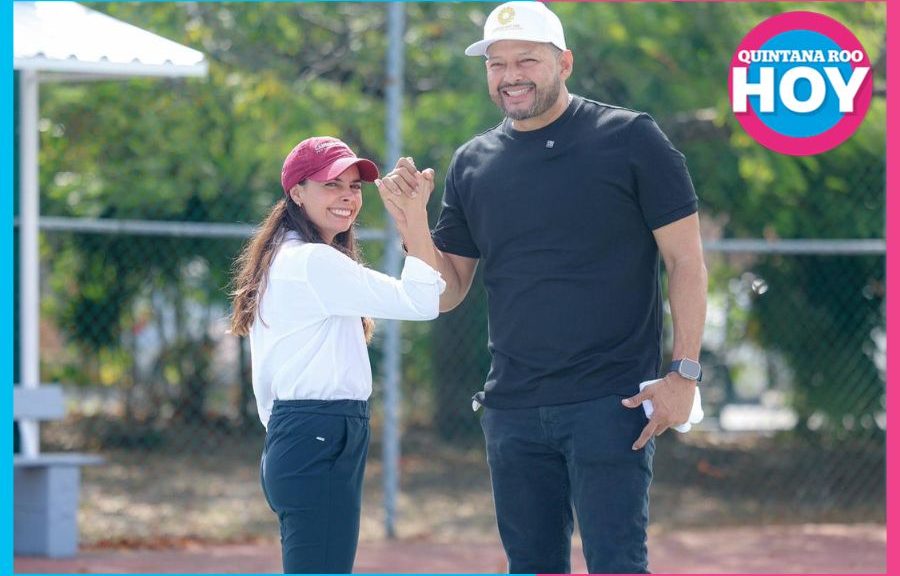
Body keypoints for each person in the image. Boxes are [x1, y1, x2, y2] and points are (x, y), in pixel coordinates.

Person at [376, 2, 708, 573]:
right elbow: (449, 289)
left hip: (613, 403)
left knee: (618, 565)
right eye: (497, 64)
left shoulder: (630, 138)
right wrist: (412, 223)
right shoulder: (473, 163)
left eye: (526, 60)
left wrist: (684, 373)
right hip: (513, 411)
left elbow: (686, 262)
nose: (510, 76)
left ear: (564, 63)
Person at [230, 136, 444, 574]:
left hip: (305, 433)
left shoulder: (290, 256)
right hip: (317, 432)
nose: (347, 195)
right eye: (331, 184)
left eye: (355, 186)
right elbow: (423, 302)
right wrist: (414, 219)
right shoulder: (310, 261)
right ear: (296, 192)